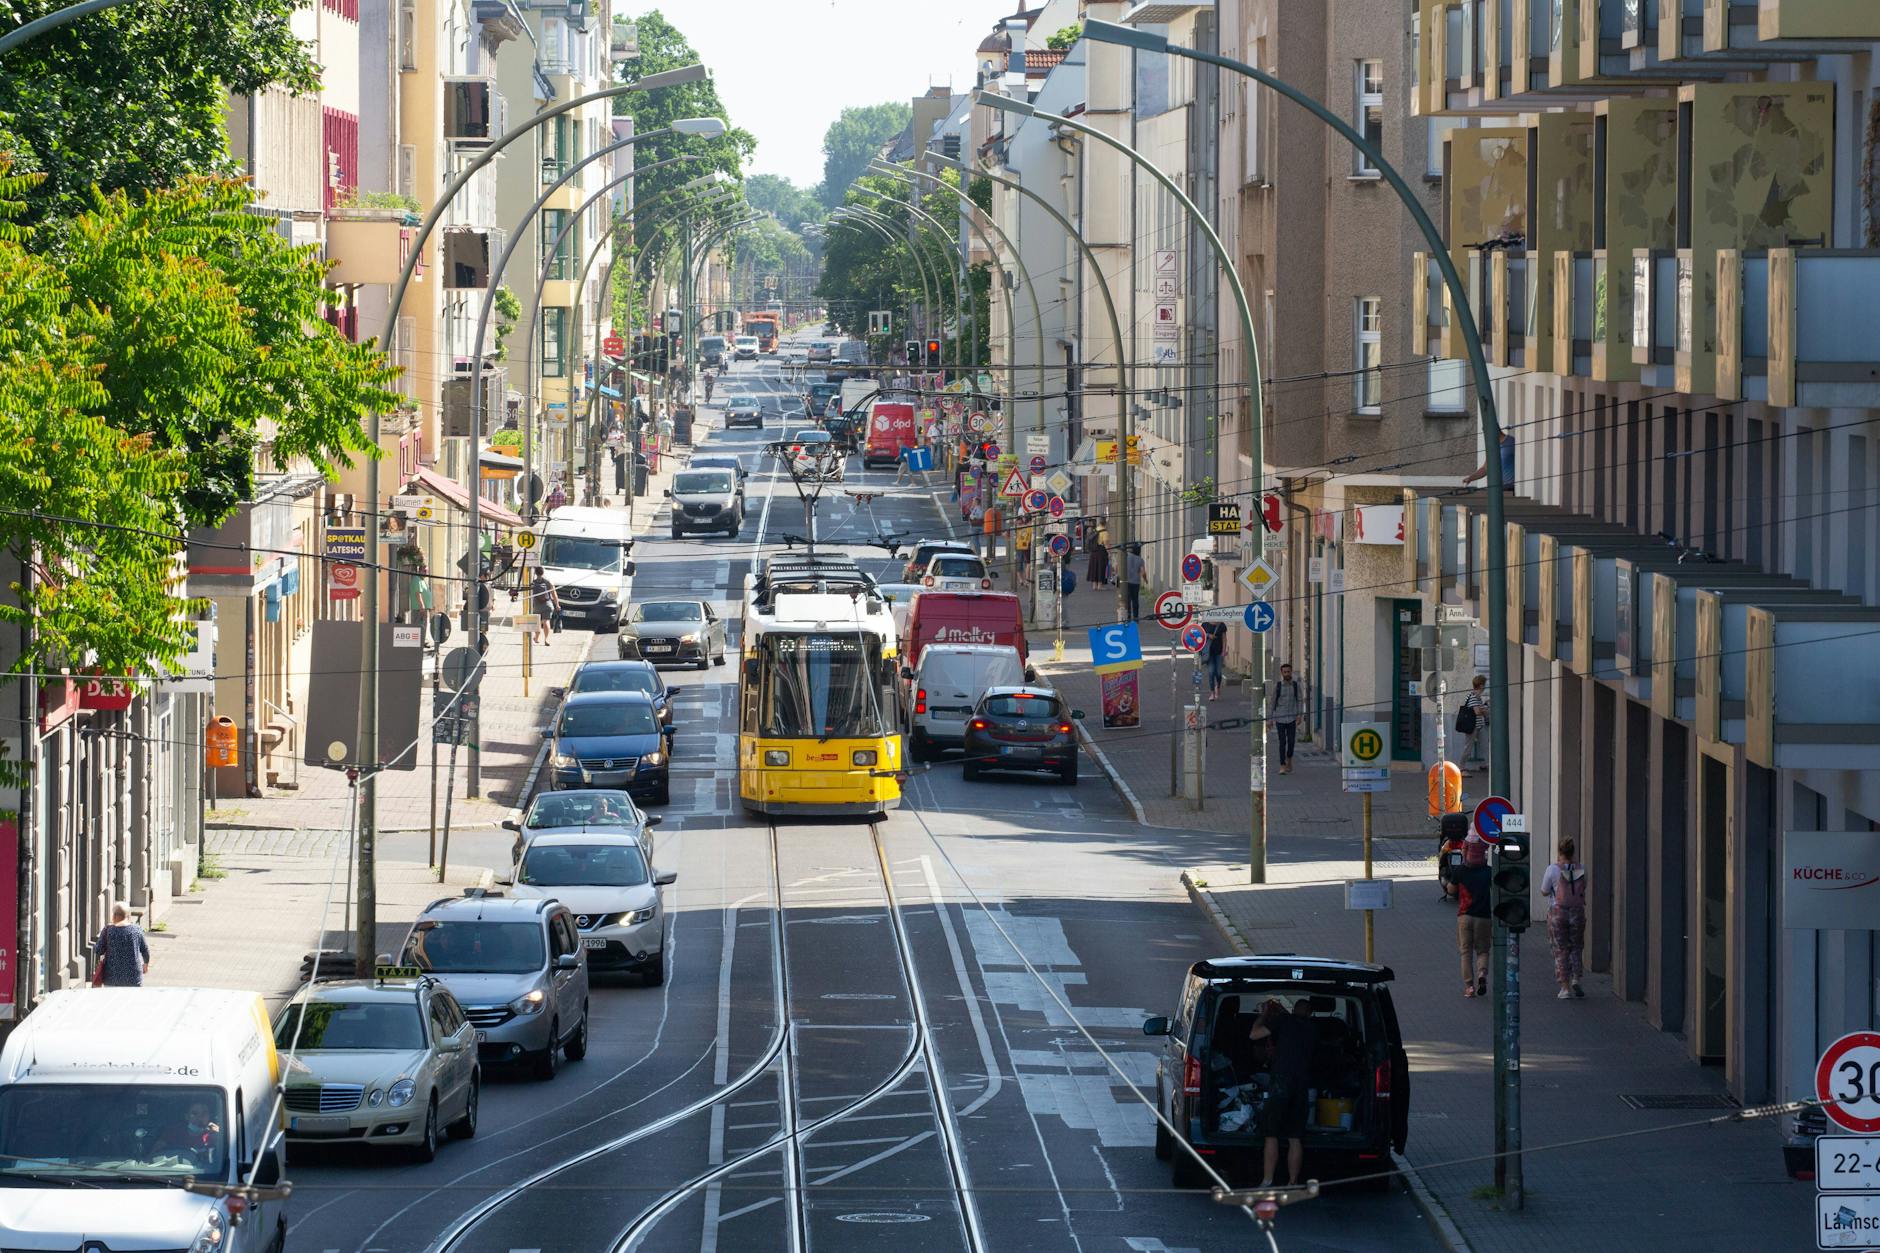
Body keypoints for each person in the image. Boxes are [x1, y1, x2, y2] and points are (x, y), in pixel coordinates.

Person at [1246, 998, 1317, 1189]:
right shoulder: (1313, 1028)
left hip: (1280, 1083)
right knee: (1295, 1137)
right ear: (1310, 1013)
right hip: (1301, 1085)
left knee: (1271, 1134)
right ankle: (1292, 1182)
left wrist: (1263, 1015)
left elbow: (1254, 1034)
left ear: (1294, 1010)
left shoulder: (1283, 1021)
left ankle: (1267, 1180)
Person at [1542, 837, 1589, 999]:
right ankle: (1576, 978)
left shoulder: (1552, 869)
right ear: (1573, 851)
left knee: (1561, 948)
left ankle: (1565, 988)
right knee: (1576, 946)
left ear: (1559, 851)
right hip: (1577, 912)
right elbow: (1584, 887)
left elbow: (1544, 891)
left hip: (1558, 912)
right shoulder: (1582, 868)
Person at [1450, 836, 1492, 998]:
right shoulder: (1488, 871)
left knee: (1466, 952)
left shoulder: (1460, 870)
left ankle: (1469, 987)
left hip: (1465, 916)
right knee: (1483, 951)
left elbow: (1451, 890)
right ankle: (1482, 974)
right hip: (1484, 916)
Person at [93, 902, 149, 987]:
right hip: (133, 977)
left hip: (112, 977)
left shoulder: (108, 930)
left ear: (114, 916)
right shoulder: (137, 930)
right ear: (128, 916)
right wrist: (145, 964)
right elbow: (145, 950)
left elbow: (98, 950)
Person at [1268, 663, 1303, 773]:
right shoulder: (1278, 686)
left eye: (1288, 672)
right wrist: (1270, 719)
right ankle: (1282, 765)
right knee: (1282, 742)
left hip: (1292, 718)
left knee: (1291, 742)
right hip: (1280, 718)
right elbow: (1272, 703)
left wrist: (1299, 715)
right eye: (1285, 672)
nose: (1287, 674)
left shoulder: (1296, 686)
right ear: (1282, 673)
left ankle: (1289, 758)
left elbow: (1300, 701)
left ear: (1291, 672)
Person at [1457, 675, 1489, 771]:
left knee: (1485, 746)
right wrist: (1484, 709)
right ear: (1481, 685)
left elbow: (1480, 710)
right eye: (1484, 684)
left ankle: (1488, 764)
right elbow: (1477, 712)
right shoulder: (1473, 697)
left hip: (1479, 726)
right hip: (1472, 727)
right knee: (1468, 748)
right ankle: (1461, 767)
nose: (1485, 687)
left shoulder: (1478, 697)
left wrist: (1483, 708)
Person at [528, 571, 558, 645]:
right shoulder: (549, 582)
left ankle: (536, 637)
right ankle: (546, 639)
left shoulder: (533, 583)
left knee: (537, 622)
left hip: (537, 605)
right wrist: (557, 605)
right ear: (543, 573)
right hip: (547, 605)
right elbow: (554, 595)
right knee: (546, 621)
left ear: (535, 573)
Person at [1203, 620, 1228, 700]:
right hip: (1208, 653)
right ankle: (1212, 693)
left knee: (1218, 673)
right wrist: (1208, 635)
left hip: (1219, 652)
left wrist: (1223, 651)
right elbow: (1200, 635)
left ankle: (1218, 686)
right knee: (1211, 672)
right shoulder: (1205, 624)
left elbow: (1224, 638)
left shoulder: (1221, 625)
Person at [1122, 544, 1146, 620]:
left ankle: (1128, 616)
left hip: (1126, 582)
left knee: (1127, 599)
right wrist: (1145, 580)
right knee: (1135, 600)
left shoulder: (1126, 557)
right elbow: (1143, 572)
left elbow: (1117, 567)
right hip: (1136, 582)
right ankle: (1136, 616)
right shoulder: (1140, 560)